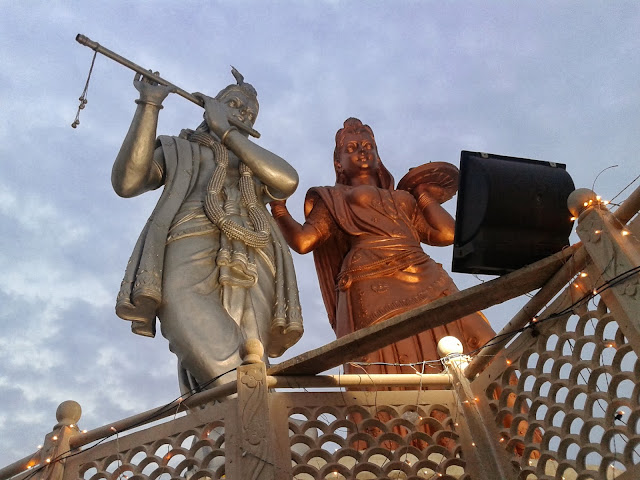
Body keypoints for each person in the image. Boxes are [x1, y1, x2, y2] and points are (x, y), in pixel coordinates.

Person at [112, 68, 303, 393]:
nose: (240, 113)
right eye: (233, 103)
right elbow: (128, 182)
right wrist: (149, 104)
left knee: (251, 348)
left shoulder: (253, 164)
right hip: (189, 239)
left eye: (248, 114)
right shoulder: (181, 148)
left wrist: (227, 133)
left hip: (254, 253)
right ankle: (257, 415)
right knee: (187, 320)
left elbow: (288, 181)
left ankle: (246, 422)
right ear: (212, 104)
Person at [270, 117, 495, 377]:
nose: (362, 151)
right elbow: (303, 241)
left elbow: (447, 233)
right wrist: (279, 207)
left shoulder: (404, 198)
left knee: (478, 338)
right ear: (338, 163)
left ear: (378, 156)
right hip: (371, 279)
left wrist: (422, 193)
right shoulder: (333, 198)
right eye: (351, 148)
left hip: (425, 273)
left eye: (368, 146)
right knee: (387, 357)